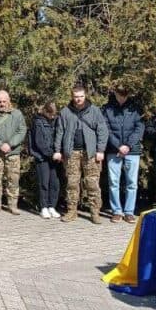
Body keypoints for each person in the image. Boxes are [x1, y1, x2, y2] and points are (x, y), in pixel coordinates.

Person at [55, 84, 109, 224]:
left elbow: (102, 130)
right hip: (71, 153)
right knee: (72, 183)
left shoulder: (94, 111)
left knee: (92, 183)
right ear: (72, 97)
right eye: (76, 97)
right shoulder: (65, 112)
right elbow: (59, 132)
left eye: (81, 96)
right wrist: (57, 150)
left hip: (90, 153)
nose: (78, 99)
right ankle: (71, 211)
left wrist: (100, 150)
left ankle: (95, 212)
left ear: (85, 96)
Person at [103, 86, 144, 223]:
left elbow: (139, 128)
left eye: (125, 93)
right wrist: (118, 146)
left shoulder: (136, 108)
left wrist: (128, 145)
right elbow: (106, 129)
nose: (122, 96)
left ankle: (129, 212)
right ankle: (116, 211)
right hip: (113, 150)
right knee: (113, 182)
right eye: (120, 93)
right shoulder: (107, 109)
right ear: (114, 92)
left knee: (132, 183)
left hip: (132, 150)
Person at [0, 90, 27, 214]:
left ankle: (12, 205)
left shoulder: (17, 114)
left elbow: (22, 130)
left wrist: (10, 144)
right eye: (0, 102)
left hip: (13, 152)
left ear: (9, 100)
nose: (2, 104)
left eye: (4, 101)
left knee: (13, 179)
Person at [30, 102, 61, 219]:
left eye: (54, 115)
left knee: (54, 183)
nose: (53, 117)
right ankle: (43, 207)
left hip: (54, 158)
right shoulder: (38, 122)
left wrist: (58, 152)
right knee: (44, 183)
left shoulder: (55, 121)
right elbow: (39, 143)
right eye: (51, 114)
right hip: (42, 157)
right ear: (46, 112)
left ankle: (52, 206)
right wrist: (51, 154)